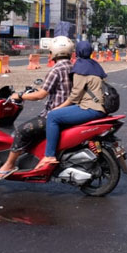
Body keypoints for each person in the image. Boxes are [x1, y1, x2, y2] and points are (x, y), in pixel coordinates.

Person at [0, 36, 74, 180]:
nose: (49, 55)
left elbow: (41, 95)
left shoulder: (56, 70)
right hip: (69, 111)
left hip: (53, 114)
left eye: (50, 52)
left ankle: (9, 165)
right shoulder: (72, 66)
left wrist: (21, 96)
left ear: (54, 53)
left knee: (21, 131)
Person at [35, 41, 107, 170]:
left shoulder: (81, 68)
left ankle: (49, 155)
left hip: (89, 108)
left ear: (76, 53)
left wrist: (58, 108)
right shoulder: (95, 65)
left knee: (53, 116)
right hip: (100, 107)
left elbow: (75, 95)